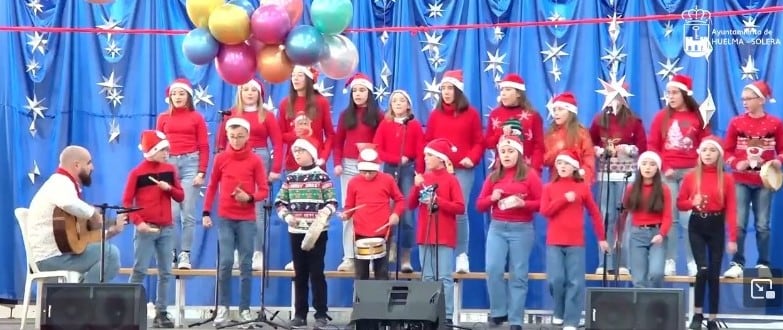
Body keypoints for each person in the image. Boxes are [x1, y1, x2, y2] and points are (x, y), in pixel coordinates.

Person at [201, 118, 270, 326]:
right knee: (226, 262)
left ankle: (244, 309)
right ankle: (223, 308)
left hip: (247, 219)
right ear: (227, 137)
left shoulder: (255, 160)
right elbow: (212, 186)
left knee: (246, 264)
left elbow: (264, 190)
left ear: (248, 136)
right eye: (232, 137)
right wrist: (205, 212)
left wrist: (249, 198)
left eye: (240, 136)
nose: (236, 140)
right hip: (225, 218)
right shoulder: (221, 158)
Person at [27, 145, 122, 283]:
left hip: (61, 254)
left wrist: (110, 232)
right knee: (110, 254)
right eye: (89, 163)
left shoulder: (66, 186)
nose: (93, 168)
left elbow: (80, 240)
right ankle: (81, 299)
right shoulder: (60, 182)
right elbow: (68, 203)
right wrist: (93, 214)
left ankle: (78, 296)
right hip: (49, 258)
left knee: (108, 253)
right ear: (77, 165)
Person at [647, 74, 712, 276]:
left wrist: (699, 167)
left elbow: (707, 142)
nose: (671, 97)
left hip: (691, 173)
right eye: (668, 93)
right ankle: (670, 260)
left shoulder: (698, 117)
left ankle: (693, 261)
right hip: (668, 173)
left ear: (685, 94)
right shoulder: (661, 117)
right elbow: (652, 145)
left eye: (675, 92)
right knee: (671, 219)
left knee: (689, 219)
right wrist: (664, 166)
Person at [475, 135, 542, 330]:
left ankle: (516, 319)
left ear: (519, 153)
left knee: (518, 274)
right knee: (493, 269)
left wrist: (524, 203)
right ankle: (498, 312)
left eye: (510, 151)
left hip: (521, 229)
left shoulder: (529, 175)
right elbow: (479, 205)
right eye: (503, 151)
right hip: (497, 228)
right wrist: (491, 198)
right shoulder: (494, 176)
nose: (506, 155)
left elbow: (543, 203)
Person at [217, 78, 283, 271]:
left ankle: (257, 253)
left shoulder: (267, 116)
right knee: (233, 207)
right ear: (240, 92)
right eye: (245, 89)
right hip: (233, 160)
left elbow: (278, 143)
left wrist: (275, 169)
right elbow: (222, 143)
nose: (249, 93)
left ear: (259, 94)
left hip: (259, 158)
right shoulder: (230, 114)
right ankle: (236, 252)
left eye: (253, 90)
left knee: (257, 209)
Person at [120, 131, 184, 328]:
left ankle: (161, 312)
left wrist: (169, 189)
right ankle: (129, 312)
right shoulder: (137, 173)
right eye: (163, 149)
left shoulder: (170, 170)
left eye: (167, 149)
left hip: (166, 229)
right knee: (139, 270)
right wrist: (138, 222)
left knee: (166, 272)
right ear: (152, 151)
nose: (167, 153)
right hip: (145, 229)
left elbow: (181, 196)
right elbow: (126, 202)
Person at [540, 149, 609, 330]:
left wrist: (601, 238)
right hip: (554, 241)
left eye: (567, 164)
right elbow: (545, 211)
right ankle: (559, 312)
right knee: (556, 279)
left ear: (574, 167)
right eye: (560, 163)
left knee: (575, 282)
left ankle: (571, 320)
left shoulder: (582, 187)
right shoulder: (549, 188)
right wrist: (563, 199)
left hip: (575, 242)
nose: (562, 167)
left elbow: (594, 213)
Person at [424, 70, 484, 274]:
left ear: (458, 90)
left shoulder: (471, 114)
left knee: (459, 211)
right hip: (438, 173)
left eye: (450, 88)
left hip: (461, 171)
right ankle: (438, 255)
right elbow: (428, 142)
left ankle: (461, 255)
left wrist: (471, 158)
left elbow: (478, 142)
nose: (446, 92)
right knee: (435, 209)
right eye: (443, 89)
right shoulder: (435, 115)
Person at [275, 136, 337, 328]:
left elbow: (332, 202)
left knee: (316, 272)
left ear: (311, 153)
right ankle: (300, 313)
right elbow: (280, 202)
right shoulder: (291, 177)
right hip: (295, 231)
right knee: (300, 273)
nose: (297, 155)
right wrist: (286, 216)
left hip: (317, 232)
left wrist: (324, 213)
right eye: (295, 152)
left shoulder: (322, 176)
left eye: (301, 151)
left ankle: (321, 313)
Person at [722, 81, 783, 278]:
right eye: (743, 99)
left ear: (761, 100)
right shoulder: (736, 123)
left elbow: (782, 151)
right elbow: (727, 151)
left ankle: (762, 264)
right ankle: (738, 263)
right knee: (739, 223)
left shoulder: (775, 123)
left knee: (762, 224)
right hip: (740, 180)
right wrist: (735, 162)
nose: (745, 102)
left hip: (764, 182)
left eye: (748, 99)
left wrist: (777, 161)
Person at [277, 66, 335, 271]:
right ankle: (297, 257)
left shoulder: (320, 103)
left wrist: (323, 157)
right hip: (292, 167)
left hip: (316, 166)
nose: (295, 79)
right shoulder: (285, 104)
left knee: (315, 210)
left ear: (309, 79)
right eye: (292, 76)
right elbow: (279, 136)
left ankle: (315, 255)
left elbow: (330, 134)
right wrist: (297, 133)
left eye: (299, 75)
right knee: (295, 211)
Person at [677, 136, 737, 330]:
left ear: (719, 154)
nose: (708, 154)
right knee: (702, 270)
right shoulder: (691, 177)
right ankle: (697, 314)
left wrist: (733, 238)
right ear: (699, 154)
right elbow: (680, 203)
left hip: (716, 225)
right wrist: (691, 203)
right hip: (697, 225)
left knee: (713, 273)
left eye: (712, 151)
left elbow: (732, 209)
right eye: (704, 150)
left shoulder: (726, 179)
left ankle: (712, 318)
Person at [409, 138, 465, 325]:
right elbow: (410, 204)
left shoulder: (451, 180)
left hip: (444, 235)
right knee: (427, 277)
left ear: (441, 159)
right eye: (425, 155)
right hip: (425, 234)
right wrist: (416, 186)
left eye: (429, 155)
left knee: (444, 278)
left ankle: (447, 316)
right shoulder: (423, 178)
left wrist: (437, 201)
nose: (425, 158)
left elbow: (459, 207)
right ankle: (427, 313)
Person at [156, 78, 210, 270]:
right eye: (174, 94)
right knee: (171, 213)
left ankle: (185, 254)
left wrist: (201, 172)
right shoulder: (163, 118)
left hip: (191, 164)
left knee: (187, 213)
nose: (177, 97)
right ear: (169, 97)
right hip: (169, 164)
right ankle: (170, 252)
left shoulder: (196, 118)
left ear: (188, 96)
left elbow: (204, 146)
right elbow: (158, 147)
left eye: (181, 93)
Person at [333, 73, 384, 272]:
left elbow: (381, 142)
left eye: (362, 90)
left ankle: (371, 257)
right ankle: (349, 256)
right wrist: (337, 163)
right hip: (348, 165)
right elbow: (338, 143)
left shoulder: (378, 116)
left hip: (370, 168)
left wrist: (371, 157)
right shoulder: (346, 115)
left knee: (370, 211)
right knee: (350, 210)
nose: (358, 94)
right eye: (355, 90)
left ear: (369, 93)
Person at [372, 89, 425, 272]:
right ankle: (387, 254)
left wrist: (419, 171)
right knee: (388, 212)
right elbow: (378, 148)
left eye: (402, 101)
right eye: (395, 101)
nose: (398, 104)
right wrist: (395, 159)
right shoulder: (385, 124)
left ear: (408, 105)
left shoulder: (414, 125)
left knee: (408, 216)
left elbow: (420, 151)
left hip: (408, 170)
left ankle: (405, 258)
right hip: (390, 170)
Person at [340, 144, 405, 280]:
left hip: (382, 233)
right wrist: (346, 214)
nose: (367, 175)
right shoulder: (353, 182)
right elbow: (349, 206)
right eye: (364, 172)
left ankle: (381, 301)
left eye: (371, 171)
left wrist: (395, 214)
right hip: (360, 233)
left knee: (382, 274)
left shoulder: (387, 179)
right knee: (361, 275)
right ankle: (360, 301)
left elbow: (400, 200)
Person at [623, 151, 672, 288]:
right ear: (639, 167)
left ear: (657, 168)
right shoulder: (631, 188)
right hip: (637, 234)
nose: (648, 167)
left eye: (652, 164)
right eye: (644, 164)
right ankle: (641, 309)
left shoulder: (663, 189)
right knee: (639, 279)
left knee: (656, 273)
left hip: (656, 234)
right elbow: (624, 213)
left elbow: (667, 216)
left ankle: (655, 307)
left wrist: (661, 234)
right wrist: (618, 235)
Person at [485, 73, 545, 172]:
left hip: (526, 170)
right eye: (502, 90)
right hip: (501, 171)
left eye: (508, 90)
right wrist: (500, 133)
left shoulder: (533, 116)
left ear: (518, 93)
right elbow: (488, 143)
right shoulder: (495, 114)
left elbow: (539, 146)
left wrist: (535, 169)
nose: (503, 93)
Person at [544, 92, 596, 183]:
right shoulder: (551, 134)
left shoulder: (581, 133)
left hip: (577, 183)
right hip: (556, 183)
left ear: (570, 112)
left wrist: (582, 178)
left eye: (560, 109)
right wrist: (558, 149)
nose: (556, 113)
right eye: (554, 110)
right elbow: (545, 159)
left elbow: (588, 159)